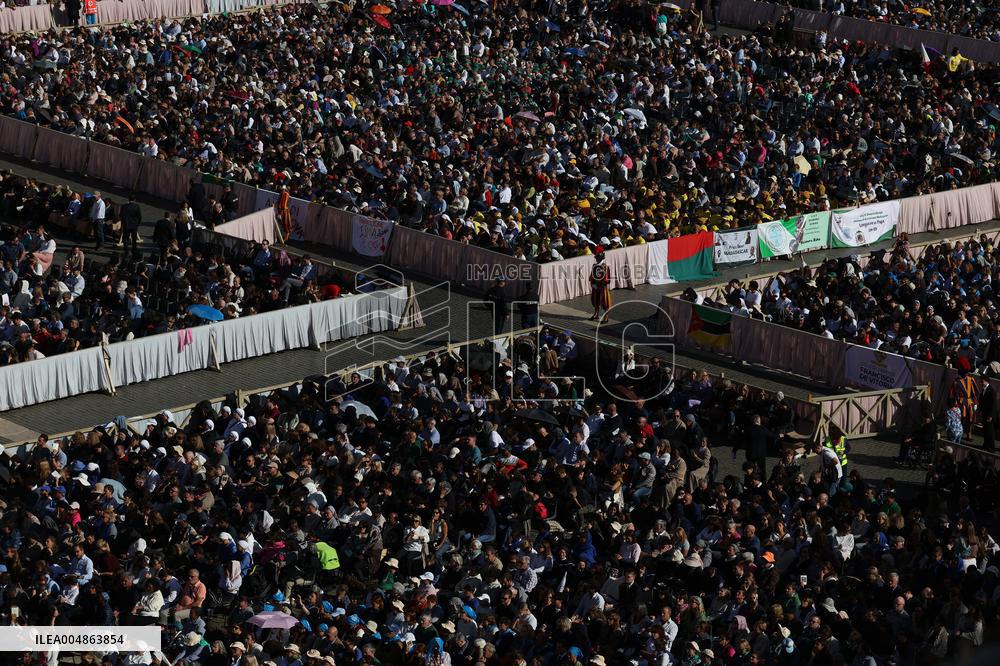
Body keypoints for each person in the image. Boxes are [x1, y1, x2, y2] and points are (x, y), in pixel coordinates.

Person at [590, 249, 611, 324]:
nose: (596, 259)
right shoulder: (594, 266)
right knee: (595, 301)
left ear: (601, 258)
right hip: (595, 286)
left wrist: (602, 285)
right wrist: (593, 284)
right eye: (596, 258)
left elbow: (607, 278)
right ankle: (596, 314)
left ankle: (606, 317)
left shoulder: (605, 266)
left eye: (597, 258)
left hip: (602, 287)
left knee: (605, 302)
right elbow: (592, 275)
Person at [979, 377, 995, 452]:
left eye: (982, 381)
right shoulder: (983, 390)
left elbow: (993, 404)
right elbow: (981, 401)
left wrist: (990, 415)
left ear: (986, 381)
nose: (981, 383)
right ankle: (985, 445)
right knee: (985, 430)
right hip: (985, 413)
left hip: (989, 414)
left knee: (990, 431)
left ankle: (991, 448)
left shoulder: (991, 390)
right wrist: (980, 410)